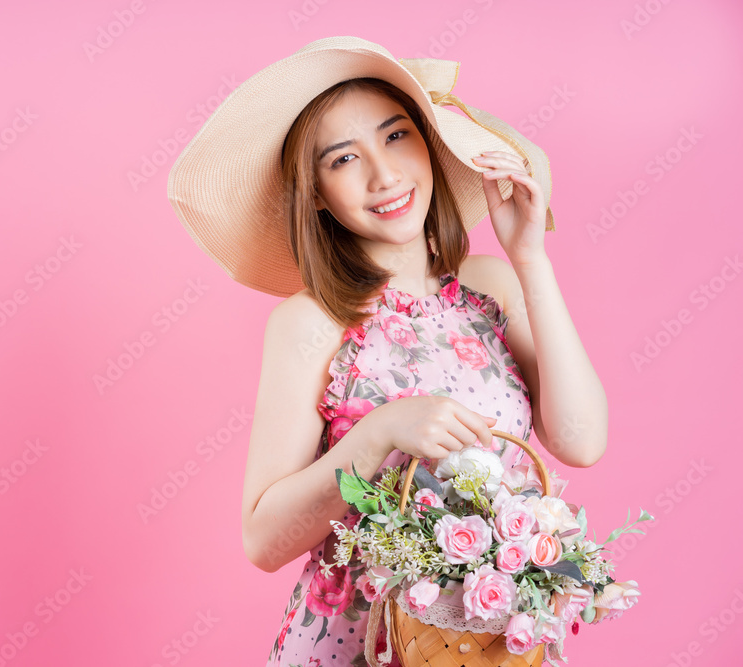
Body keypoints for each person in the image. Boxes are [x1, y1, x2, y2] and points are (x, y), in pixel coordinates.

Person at [167, 37, 607, 667]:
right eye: (343, 159)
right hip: (357, 644)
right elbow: (264, 540)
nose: (384, 174)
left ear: (431, 145)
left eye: (397, 136)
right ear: (315, 193)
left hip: (483, 645)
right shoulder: (310, 323)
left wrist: (529, 259)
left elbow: (581, 442)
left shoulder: (493, 285)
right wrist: (378, 434)